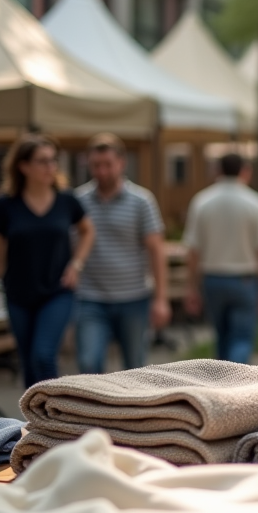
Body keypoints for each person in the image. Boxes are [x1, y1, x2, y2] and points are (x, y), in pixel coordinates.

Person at [0, 135, 95, 387]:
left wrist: (76, 264)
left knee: (43, 355)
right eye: (42, 161)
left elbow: (88, 231)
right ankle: (33, 421)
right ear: (23, 166)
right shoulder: (6, 203)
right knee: (29, 361)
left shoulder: (66, 200)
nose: (50, 167)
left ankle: (56, 417)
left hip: (58, 291)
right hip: (18, 293)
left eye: (53, 160)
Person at [74, 133, 169, 374]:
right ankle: (94, 412)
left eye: (108, 165)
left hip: (133, 298)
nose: (102, 171)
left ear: (122, 163)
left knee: (134, 369)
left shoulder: (141, 201)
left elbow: (156, 250)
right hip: (91, 298)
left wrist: (160, 299)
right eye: (96, 165)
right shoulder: (78, 201)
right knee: (88, 363)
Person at [182, 153, 258, 364]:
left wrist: (191, 287)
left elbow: (193, 250)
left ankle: (221, 384)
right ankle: (236, 384)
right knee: (241, 338)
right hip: (245, 279)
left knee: (221, 337)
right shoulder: (256, 203)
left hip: (212, 278)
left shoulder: (202, 201)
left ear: (218, 170)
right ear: (245, 171)